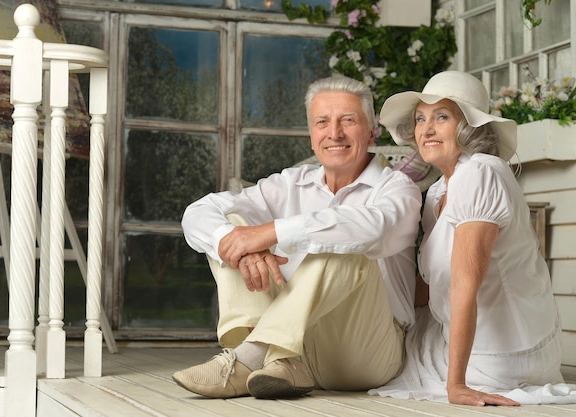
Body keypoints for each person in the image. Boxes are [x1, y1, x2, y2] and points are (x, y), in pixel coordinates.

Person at [173, 74, 423, 400]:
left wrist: (270, 232)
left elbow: (373, 228)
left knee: (344, 240)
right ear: (311, 134)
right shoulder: (292, 182)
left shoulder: (396, 188)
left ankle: (249, 357)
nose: (334, 133)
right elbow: (198, 212)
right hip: (295, 350)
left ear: (370, 130)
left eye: (348, 120)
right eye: (322, 122)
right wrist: (240, 244)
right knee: (230, 227)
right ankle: (274, 357)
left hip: (366, 351)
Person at [370, 71, 576, 406]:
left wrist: (456, 386)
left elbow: (464, 284)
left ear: (469, 126)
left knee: (375, 356)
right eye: (420, 118)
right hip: (485, 343)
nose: (426, 129)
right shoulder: (439, 191)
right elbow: (431, 285)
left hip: (501, 356)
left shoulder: (479, 173)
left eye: (441, 117)